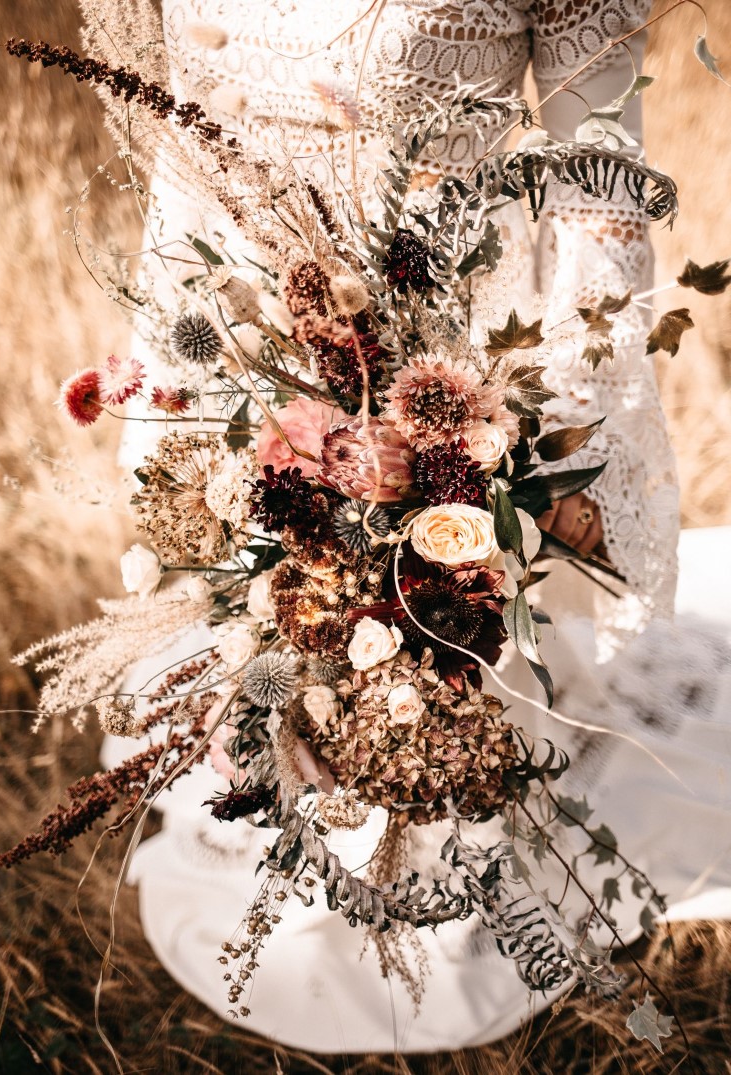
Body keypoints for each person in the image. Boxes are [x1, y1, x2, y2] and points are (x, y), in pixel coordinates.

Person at [103, 0, 731, 1053]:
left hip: (455, 349)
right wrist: (177, 388)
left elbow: (600, 182)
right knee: (279, 617)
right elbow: (182, 156)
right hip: (253, 327)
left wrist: (553, 418)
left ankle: (435, 841)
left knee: (440, 639)